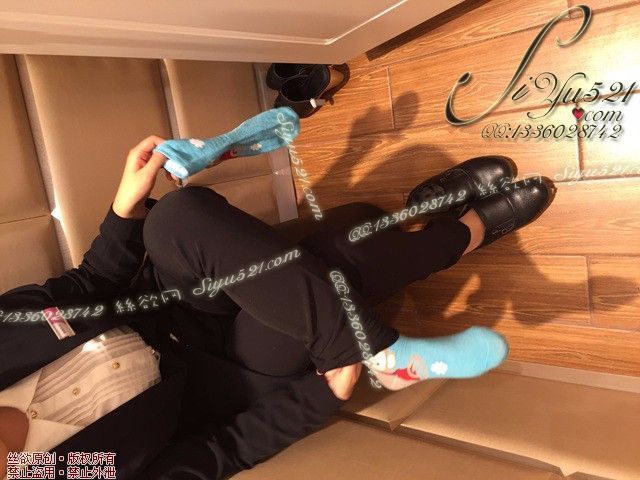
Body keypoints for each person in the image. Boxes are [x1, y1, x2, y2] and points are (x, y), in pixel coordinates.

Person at [0, 136, 551, 479]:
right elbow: (218, 453)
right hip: (226, 375)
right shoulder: (68, 473)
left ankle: (382, 332)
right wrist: (319, 399)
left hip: (169, 303)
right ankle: (461, 231)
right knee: (338, 260)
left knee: (174, 218)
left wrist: (123, 210)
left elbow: (90, 283)